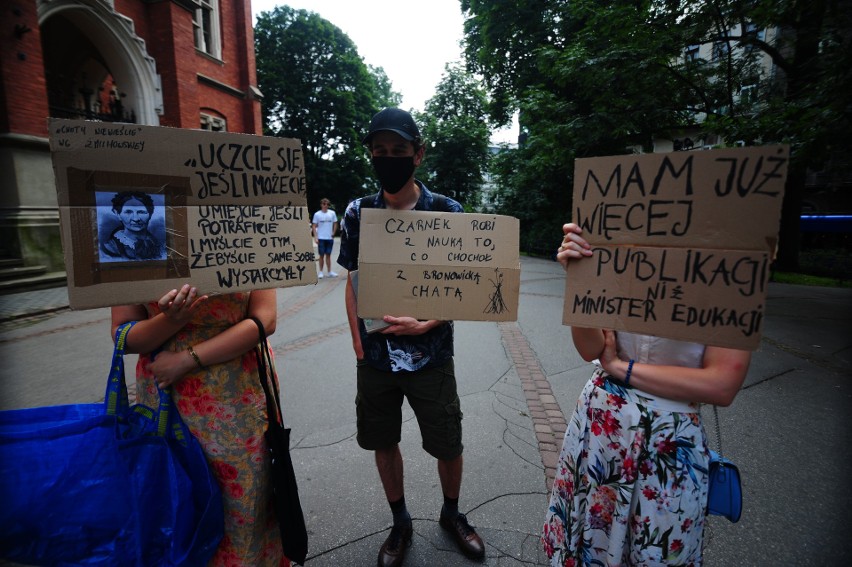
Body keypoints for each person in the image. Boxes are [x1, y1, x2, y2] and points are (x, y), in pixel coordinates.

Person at [542, 223, 752, 566]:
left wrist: (619, 367)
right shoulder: (616, 230)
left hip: (668, 438)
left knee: (655, 548)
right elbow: (590, 347)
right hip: (600, 423)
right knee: (587, 539)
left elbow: (721, 384)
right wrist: (579, 282)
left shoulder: (736, 255)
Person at [336, 108, 486, 567]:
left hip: (432, 357)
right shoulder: (359, 211)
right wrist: (358, 341)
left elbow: (466, 287)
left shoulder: (447, 212)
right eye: (380, 152)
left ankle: (452, 514)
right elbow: (352, 279)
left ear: (417, 155)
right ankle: (400, 522)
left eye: (398, 151)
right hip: (376, 358)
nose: (388, 159)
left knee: (448, 441)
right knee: (383, 440)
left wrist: (430, 322)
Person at [111, 285, 291, 567]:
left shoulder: (247, 238)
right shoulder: (135, 246)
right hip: (166, 398)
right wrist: (173, 319)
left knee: (244, 502)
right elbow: (123, 334)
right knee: (176, 501)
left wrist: (187, 359)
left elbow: (264, 319)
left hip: (238, 400)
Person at [100, 191, 166, 261]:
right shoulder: (109, 248)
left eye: (141, 212)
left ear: (150, 214)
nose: (136, 219)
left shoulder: (160, 246)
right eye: (128, 212)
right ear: (118, 214)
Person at [311, 198, 338, 278]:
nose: (325, 205)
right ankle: (321, 272)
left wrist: (333, 232)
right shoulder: (317, 214)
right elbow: (314, 226)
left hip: (329, 237)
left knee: (328, 255)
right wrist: (315, 237)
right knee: (321, 255)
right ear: (321, 205)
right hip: (321, 238)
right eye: (324, 204)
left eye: (327, 204)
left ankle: (330, 271)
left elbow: (335, 223)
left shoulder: (332, 213)